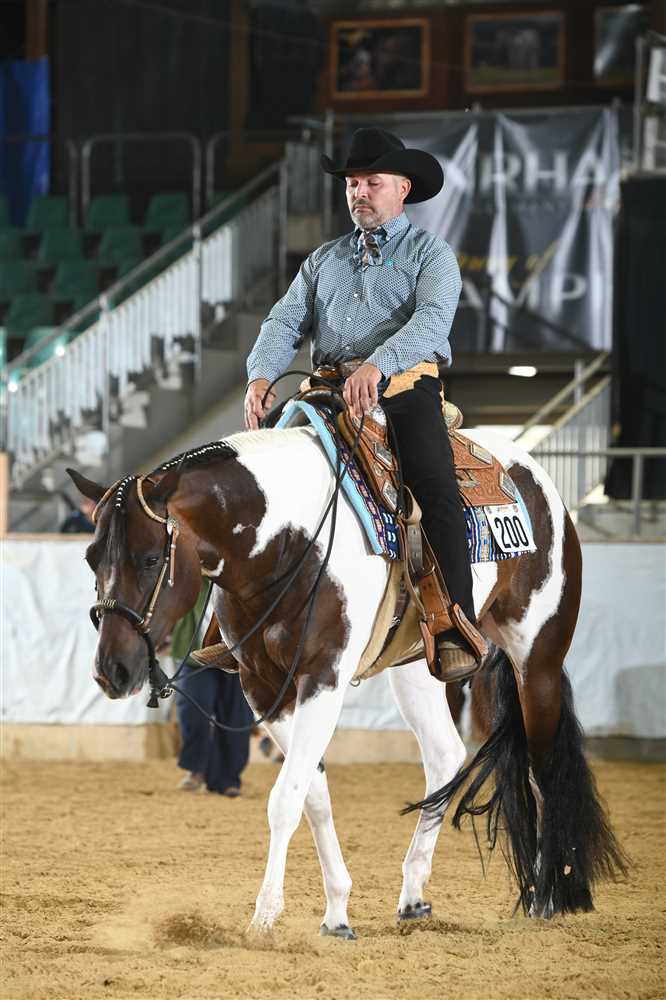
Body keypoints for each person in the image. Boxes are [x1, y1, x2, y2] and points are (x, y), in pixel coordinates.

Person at [244, 127, 496, 684]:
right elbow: (284, 320)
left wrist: (378, 365)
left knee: (434, 484)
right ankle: (241, 616)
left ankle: (455, 619)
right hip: (327, 390)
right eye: (352, 184)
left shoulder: (431, 253)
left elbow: (433, 320)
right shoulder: (323, 260)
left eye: (371, 182)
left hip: (404, 388)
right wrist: (260, 375)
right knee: (262, 472)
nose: (359, 192)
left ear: (402, 188)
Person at [172, 583, 255, 795]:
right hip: (195, 656)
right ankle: (196, 769)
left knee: (237, 718)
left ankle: (228, 779)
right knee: (193, 710)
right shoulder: (193, 579)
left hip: (239, 657)